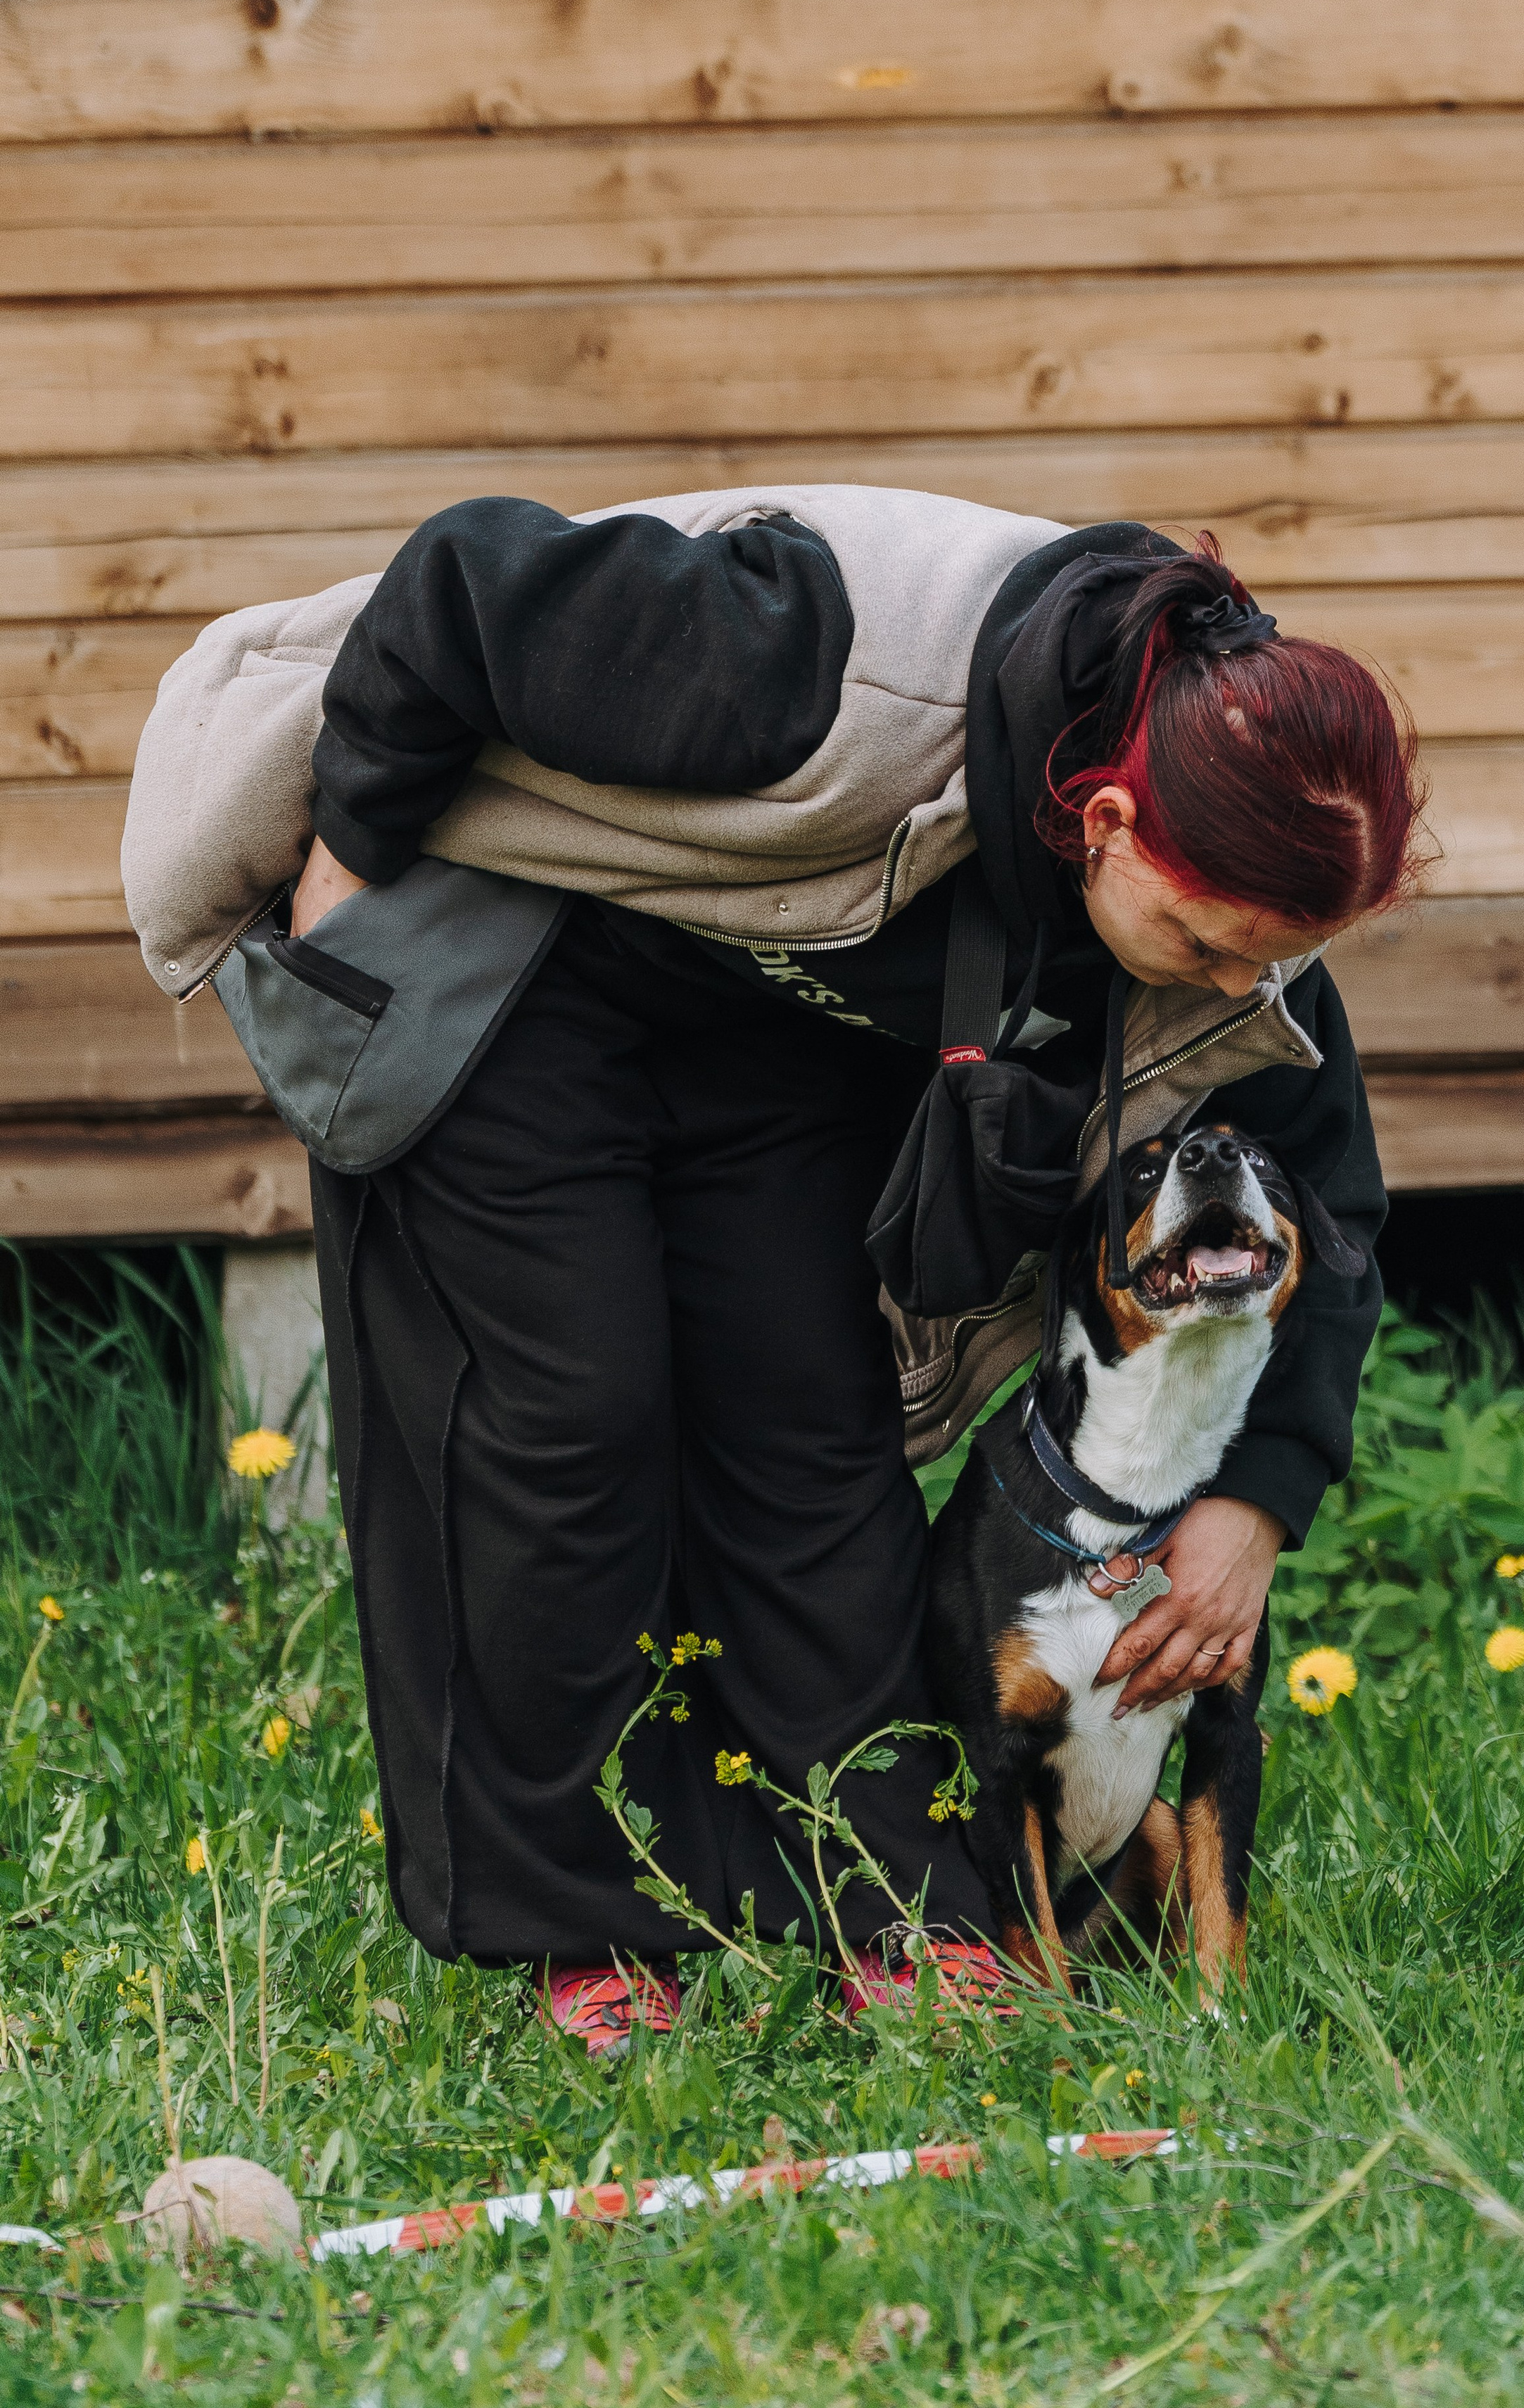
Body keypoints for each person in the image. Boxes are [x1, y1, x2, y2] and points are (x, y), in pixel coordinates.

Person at [123, 483, 1425, 2053]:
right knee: (569, 1419)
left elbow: (1325, 1194)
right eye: (1212, 945)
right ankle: (591, 1929)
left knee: (810, 1421)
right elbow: (464, 583)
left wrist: (1253, 1500)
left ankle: (895, 1897)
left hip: (765, 1016)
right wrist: (345, 857)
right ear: (1105, 823)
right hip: (516, 954)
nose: (1236, 983)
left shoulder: (1226, 854)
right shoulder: (808, 660)